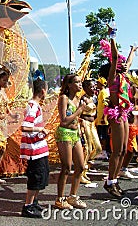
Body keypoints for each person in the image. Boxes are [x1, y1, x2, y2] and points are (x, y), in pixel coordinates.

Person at [99, 30, 137, 198]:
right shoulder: (113, 77)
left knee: (123, 149)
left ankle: (114, 181)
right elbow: (114, 57)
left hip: (123, 113)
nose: (123, 64)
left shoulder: (124, 76)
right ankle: (110, 181)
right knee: (116, 151)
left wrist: (132, 51)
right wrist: (112, 38)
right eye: (119, 63)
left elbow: (128, 62)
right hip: (116, 115)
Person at [54, 74, 87, 209]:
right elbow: (63, 121)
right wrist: (79, 111)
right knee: (66, 167)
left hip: (75, 134)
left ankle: (72, 196)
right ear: (69, 85)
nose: (80, 84)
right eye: (77, 82)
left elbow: (73, 120)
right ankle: (60, 199)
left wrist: (80, 123)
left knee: (80, 166)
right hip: (64, 134)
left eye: (80, 82)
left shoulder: (78, 99)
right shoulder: (64, 98)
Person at [20, 78, 49, 218]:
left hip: (39, 149)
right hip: (34, 150)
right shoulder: (33, 106)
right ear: (43, 91)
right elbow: (25, 126)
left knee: (41, 177)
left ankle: (34, 202)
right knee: (35, 177)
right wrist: (40, 129)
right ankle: (28, 206)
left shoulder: (36, 106)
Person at [79, 79, 102, 184]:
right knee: (88, 148)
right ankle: (81, 173)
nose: (94, 89)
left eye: (95, 87)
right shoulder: (82, 99)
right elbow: (78, 114)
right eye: (92, 87)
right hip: (85, 123)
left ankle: (87, 165)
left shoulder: (94, 98)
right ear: (86, 88)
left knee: (98, 148)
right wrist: (80, 126)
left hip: (93, 125)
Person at [94, 77, 110, 160]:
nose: (96, 84)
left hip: (102, 118)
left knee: (103, 135)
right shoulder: (103, 91)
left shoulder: (103, 92)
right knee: (103, 134)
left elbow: (106, 104)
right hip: (101, 117)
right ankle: (104, 151)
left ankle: (103, 152)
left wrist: (104, 116)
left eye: (98, 83)